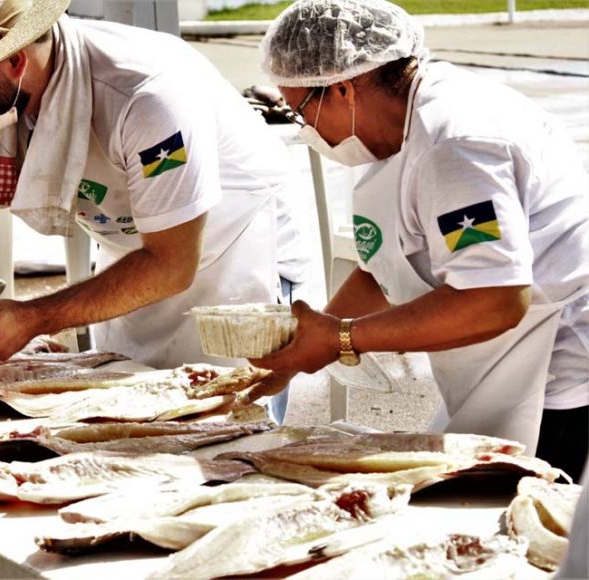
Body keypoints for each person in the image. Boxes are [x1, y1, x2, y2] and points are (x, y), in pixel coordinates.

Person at [0, 0, 314, 394]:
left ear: (14, 61)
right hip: (134, 264)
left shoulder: (146, 97)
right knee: (131, 426)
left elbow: (172, 264)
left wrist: (34, 317)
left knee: (228, 436)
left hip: (231, 263)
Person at [247, 0, 589, 479]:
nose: (305, 131)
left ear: (343, 89)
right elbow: (387, 261)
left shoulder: (455, 146)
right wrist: (308, 340)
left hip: (560, 379)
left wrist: (340, 339)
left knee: (535, 532)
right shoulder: (393, 125)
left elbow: (494, 300)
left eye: (300, 111)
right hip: (500, 364)